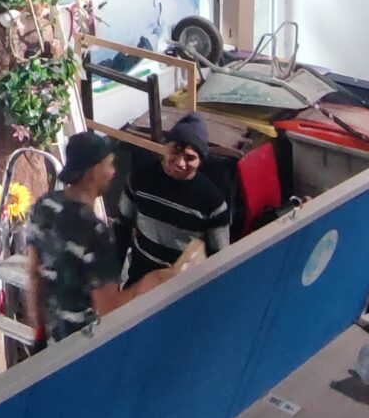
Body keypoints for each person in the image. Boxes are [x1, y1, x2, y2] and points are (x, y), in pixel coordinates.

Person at [26, 131, 172, 345]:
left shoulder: (44, 206)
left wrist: (39, 333)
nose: (113, 171)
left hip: (51, 343)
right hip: (81, 347)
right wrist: (150, 283)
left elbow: (34, 275)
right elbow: (110, 309)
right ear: (94, 171)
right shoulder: (95, 232)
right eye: (109, 164)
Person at [117, 113, 231, 286]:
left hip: (182, 288)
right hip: (140, 281)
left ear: (201, 161)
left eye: (190, 157)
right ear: (165, 147)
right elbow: (121, 230)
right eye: (175, 151)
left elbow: (220, 258)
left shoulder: (212, 202)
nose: (180, 163)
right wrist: (110, 281)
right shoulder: (139, 180)